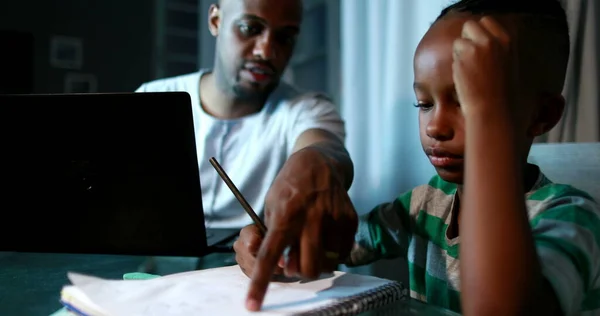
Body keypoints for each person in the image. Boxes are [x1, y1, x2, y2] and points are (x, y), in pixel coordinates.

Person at [235, 0, 600, 315]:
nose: (435, 126)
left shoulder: (572, 217)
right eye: (424, 104)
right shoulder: (425, 203)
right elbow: (335, 244)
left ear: (542, 115)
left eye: (469, 103)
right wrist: (278, 248)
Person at [135, 0, 357, 274]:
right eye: (250, 28)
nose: (267, 51)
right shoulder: (151, 99)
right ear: (216, 21)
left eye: (285, 37)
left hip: (254, 270)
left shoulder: (309, 109)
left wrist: (318, 161)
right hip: (152, 266)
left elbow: (324, 146)